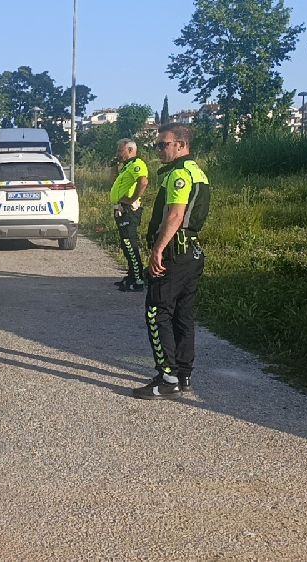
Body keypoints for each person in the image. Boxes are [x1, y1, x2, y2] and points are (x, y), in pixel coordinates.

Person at [133, 123, 211, 400]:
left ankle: (167, 377)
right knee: (183, 315)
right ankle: (184, 374)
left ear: (180, 144)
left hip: (174, 255)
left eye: (163, 144)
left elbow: (175, 216)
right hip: (192, 254)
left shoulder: (179, 174)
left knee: (157, 312)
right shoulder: (197, 171)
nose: (158, 150)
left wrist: (157, 250)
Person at [109, 139, 150, 291]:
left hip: (129, 210)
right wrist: (113, 166)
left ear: (131, 150)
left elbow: (143, 182)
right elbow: (114, 182)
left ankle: (138, 280)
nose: (119, 153)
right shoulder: (127, 166)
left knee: (130, 244)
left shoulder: (137, 164)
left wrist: (131, 199)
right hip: (121, 209)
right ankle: (132, 275)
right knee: (125, 244)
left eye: (121, 150)